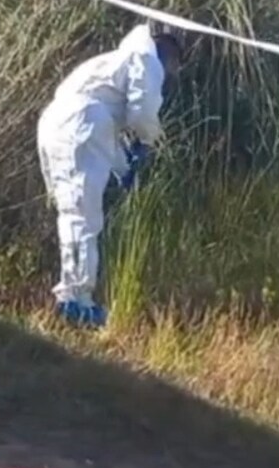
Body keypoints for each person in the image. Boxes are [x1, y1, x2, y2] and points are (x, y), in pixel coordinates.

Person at [36, 22, 182, 328]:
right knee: (82, 217)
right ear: (168, 51)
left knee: (72, 212)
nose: (172, 72)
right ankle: (75, 303)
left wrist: (123, 168)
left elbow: (102, 122)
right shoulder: (147, 59)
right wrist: (145, 142)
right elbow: (141, 113)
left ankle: (71, 296)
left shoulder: (112, 64)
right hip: (79, 126)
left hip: (57, 123)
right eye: (175, 64)